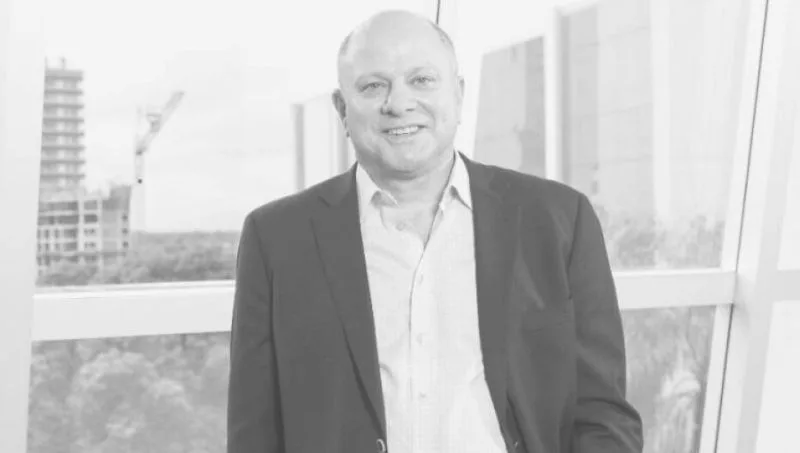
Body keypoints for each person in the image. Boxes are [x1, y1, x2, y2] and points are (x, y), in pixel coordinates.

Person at [227, 9, 643, 453]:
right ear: (342, 109)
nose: (399, 103)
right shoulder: (277, 239)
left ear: (459, 94)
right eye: (373, 86)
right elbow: (255, 431)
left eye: (422, 80)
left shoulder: (559, 219)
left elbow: (603, 413)